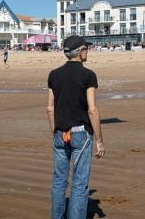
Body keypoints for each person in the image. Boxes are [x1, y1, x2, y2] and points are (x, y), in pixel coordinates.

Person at [47, 35, 104, 219]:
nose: (88, 51)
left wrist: (55, 131)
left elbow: (50, 107)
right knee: (79, 184)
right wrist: (99, 140)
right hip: (80, 133)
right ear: (80, 52)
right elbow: (92, 109)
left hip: (60, 132)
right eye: (86, 48)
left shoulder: (54, 75)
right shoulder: (88, 75)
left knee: (59, 181)